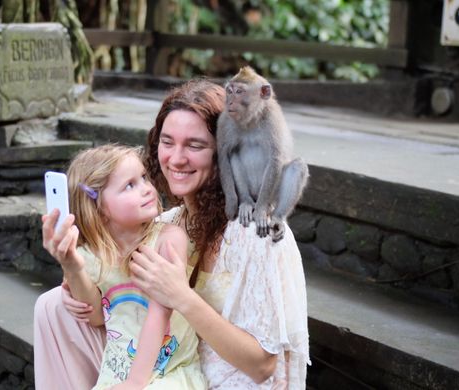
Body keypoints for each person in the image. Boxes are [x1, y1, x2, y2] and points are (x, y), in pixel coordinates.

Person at [34, 79, 310, 389]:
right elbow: (112, 299)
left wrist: (181, 295)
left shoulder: (256, 234)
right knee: (54, 304)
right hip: (164, 362)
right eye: (167, 142)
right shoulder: (168, 222)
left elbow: (263, 366)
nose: (176, 159)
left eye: (195, 145)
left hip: (222, 378)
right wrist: (73, 270)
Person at [39, 144, 206, 389]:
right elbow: (97, 316)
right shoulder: (91, 253)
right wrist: (72, 268)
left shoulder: (168, 239)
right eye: (130, 185)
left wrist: (136, 382)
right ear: (100, 208)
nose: (147, 189)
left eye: (144, 178)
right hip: (117, 369)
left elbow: (161, 312)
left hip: (171, 369)